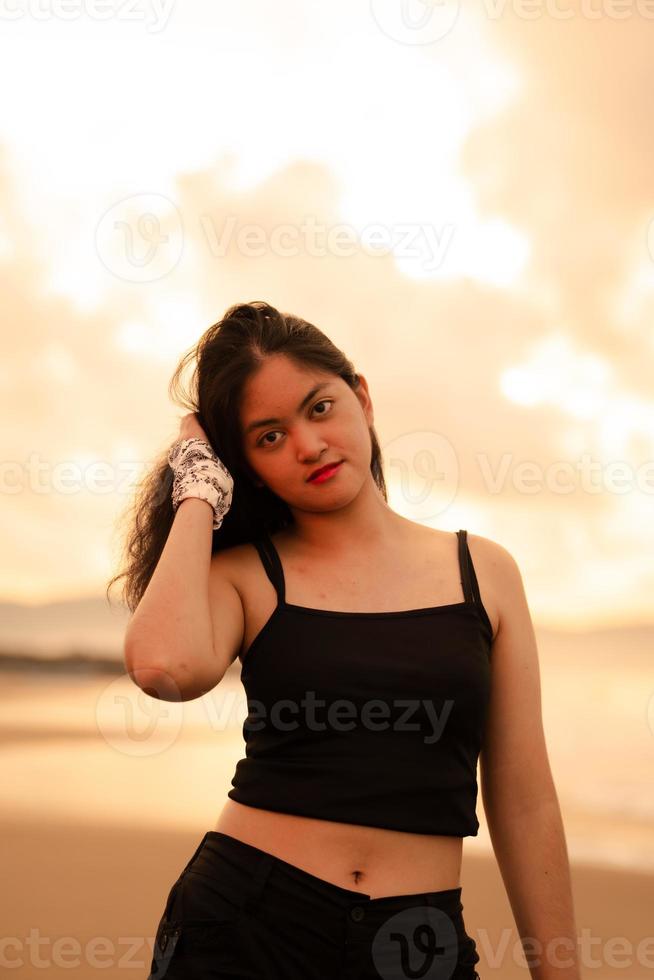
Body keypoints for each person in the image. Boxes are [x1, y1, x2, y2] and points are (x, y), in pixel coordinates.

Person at [109, 301, 581, 980]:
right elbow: (163, 666)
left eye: (319, 408)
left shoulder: (485, 572)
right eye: (268, 437)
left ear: (360, 396)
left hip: (418, 945)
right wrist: (196, 489)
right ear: (244, 463)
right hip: (247, 927)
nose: (306, 444)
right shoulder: (248, 576)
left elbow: (523, 795)